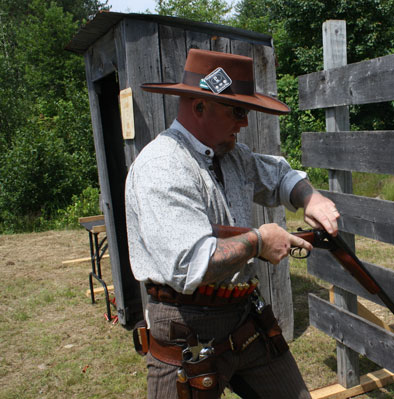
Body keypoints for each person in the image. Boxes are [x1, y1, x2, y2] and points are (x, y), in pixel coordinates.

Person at [126, 49, 340, 399]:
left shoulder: (232, 154)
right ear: (199, 107)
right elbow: (190, 265)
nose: (244, 122)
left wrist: (310, 198)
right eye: (237, 111)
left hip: (244, 317)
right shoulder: (162, 166)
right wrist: (258, 242)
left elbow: (279, 176)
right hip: (185, 327)